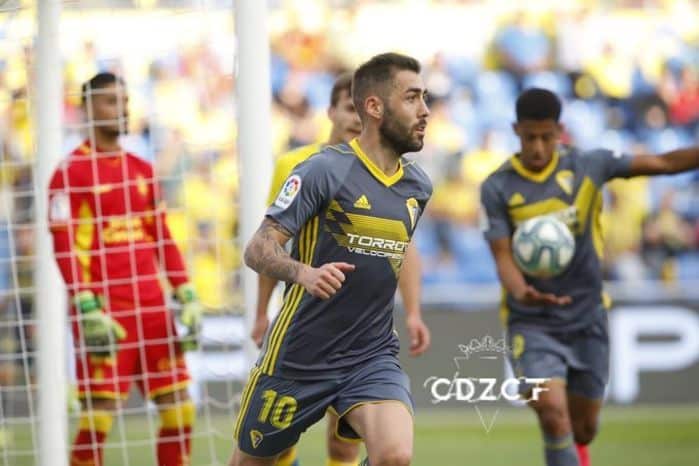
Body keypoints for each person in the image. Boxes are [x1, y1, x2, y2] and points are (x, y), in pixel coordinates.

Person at [230, 52, 432, 466]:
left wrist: (413, 311)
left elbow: (401, 254)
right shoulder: (323, 170)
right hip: (300, 358)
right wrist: (302, 272)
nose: (425, 111)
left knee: (395, 455)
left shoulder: (418, 185)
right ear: (374, 107)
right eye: (412, 98)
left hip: (370, 355)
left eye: (424, 98)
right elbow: (258, 247)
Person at [480, 87, 699, 466]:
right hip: (531, 320)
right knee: (552, 412)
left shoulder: (588, 166)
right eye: (529, 137)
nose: (537, 146)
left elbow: (662, 163)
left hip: (587, 317)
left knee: (583, 429)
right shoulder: (497, 186)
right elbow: (501, 255)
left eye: (546, 136)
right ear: (516, 130)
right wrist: (523, 291)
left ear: (560, 130)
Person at [48, 72, 203, 466]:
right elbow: (65, 246)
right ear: (87, 109)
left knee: (180, 410)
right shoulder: (70, 174)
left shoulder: (142, 168)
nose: (122, 110)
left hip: (152, 307)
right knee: (98, 416)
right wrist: (84, 305)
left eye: (125, 101)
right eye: (111, 102)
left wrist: (184, 292)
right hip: (105, 310)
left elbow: (162, 237)